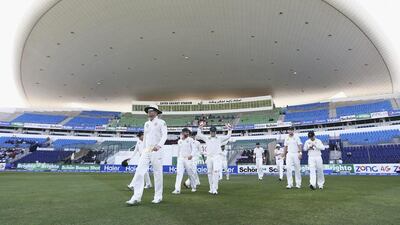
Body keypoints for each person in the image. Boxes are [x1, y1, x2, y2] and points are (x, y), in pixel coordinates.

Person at [126, 105, 168, 205]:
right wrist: (143, 150)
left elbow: (165, 135)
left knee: (157, 174)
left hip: (157, 150)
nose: (149, 113)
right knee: (139, 171)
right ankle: (136, 197)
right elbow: (145, 138)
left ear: (156, 112)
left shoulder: (162, 122)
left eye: (151, 111)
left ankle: (158, 197)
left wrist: (159, 145)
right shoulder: (146, 124)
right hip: (147, 150)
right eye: (148, 111)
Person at [196, 123, 232, 195]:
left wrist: (229, 129)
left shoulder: (219, 138)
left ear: (216, 132)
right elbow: (199, 135)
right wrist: (200, 127)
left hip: (217, 157)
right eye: (212, 131)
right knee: (209, 173)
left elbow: (228, 136)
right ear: (210, 132)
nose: (213, 133)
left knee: (216, 172)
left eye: (214, 131)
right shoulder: (207, 138)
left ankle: (215, 189)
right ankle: (211, 188)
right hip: (209, 157)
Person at [172, 128, 198, 194]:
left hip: (188, 159)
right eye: (184, 132)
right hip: (181, 159)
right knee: (179, 173)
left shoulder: (191, 140)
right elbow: (179, 151)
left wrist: (191, 155)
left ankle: (193, 186)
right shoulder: (179, 141)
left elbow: (194, 149)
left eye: (187, 132)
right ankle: (177, 189)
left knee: (190, 173)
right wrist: (178, 158)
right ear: (182, 133)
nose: (186, 133)